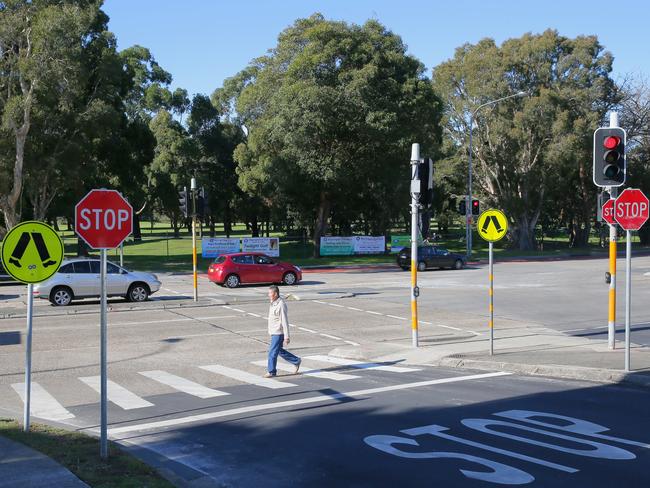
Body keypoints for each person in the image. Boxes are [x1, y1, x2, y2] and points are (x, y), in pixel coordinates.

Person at [265, 285, 301, 377]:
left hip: (278, 332)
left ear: (275, 294)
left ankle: (271, 371)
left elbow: (285, 321)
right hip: (273, 332)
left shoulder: (281, 305)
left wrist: (287, 337)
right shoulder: (273, 302)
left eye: (270, 293)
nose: (268, 295)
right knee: (279, 351)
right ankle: (296, 360)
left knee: (272, 352)